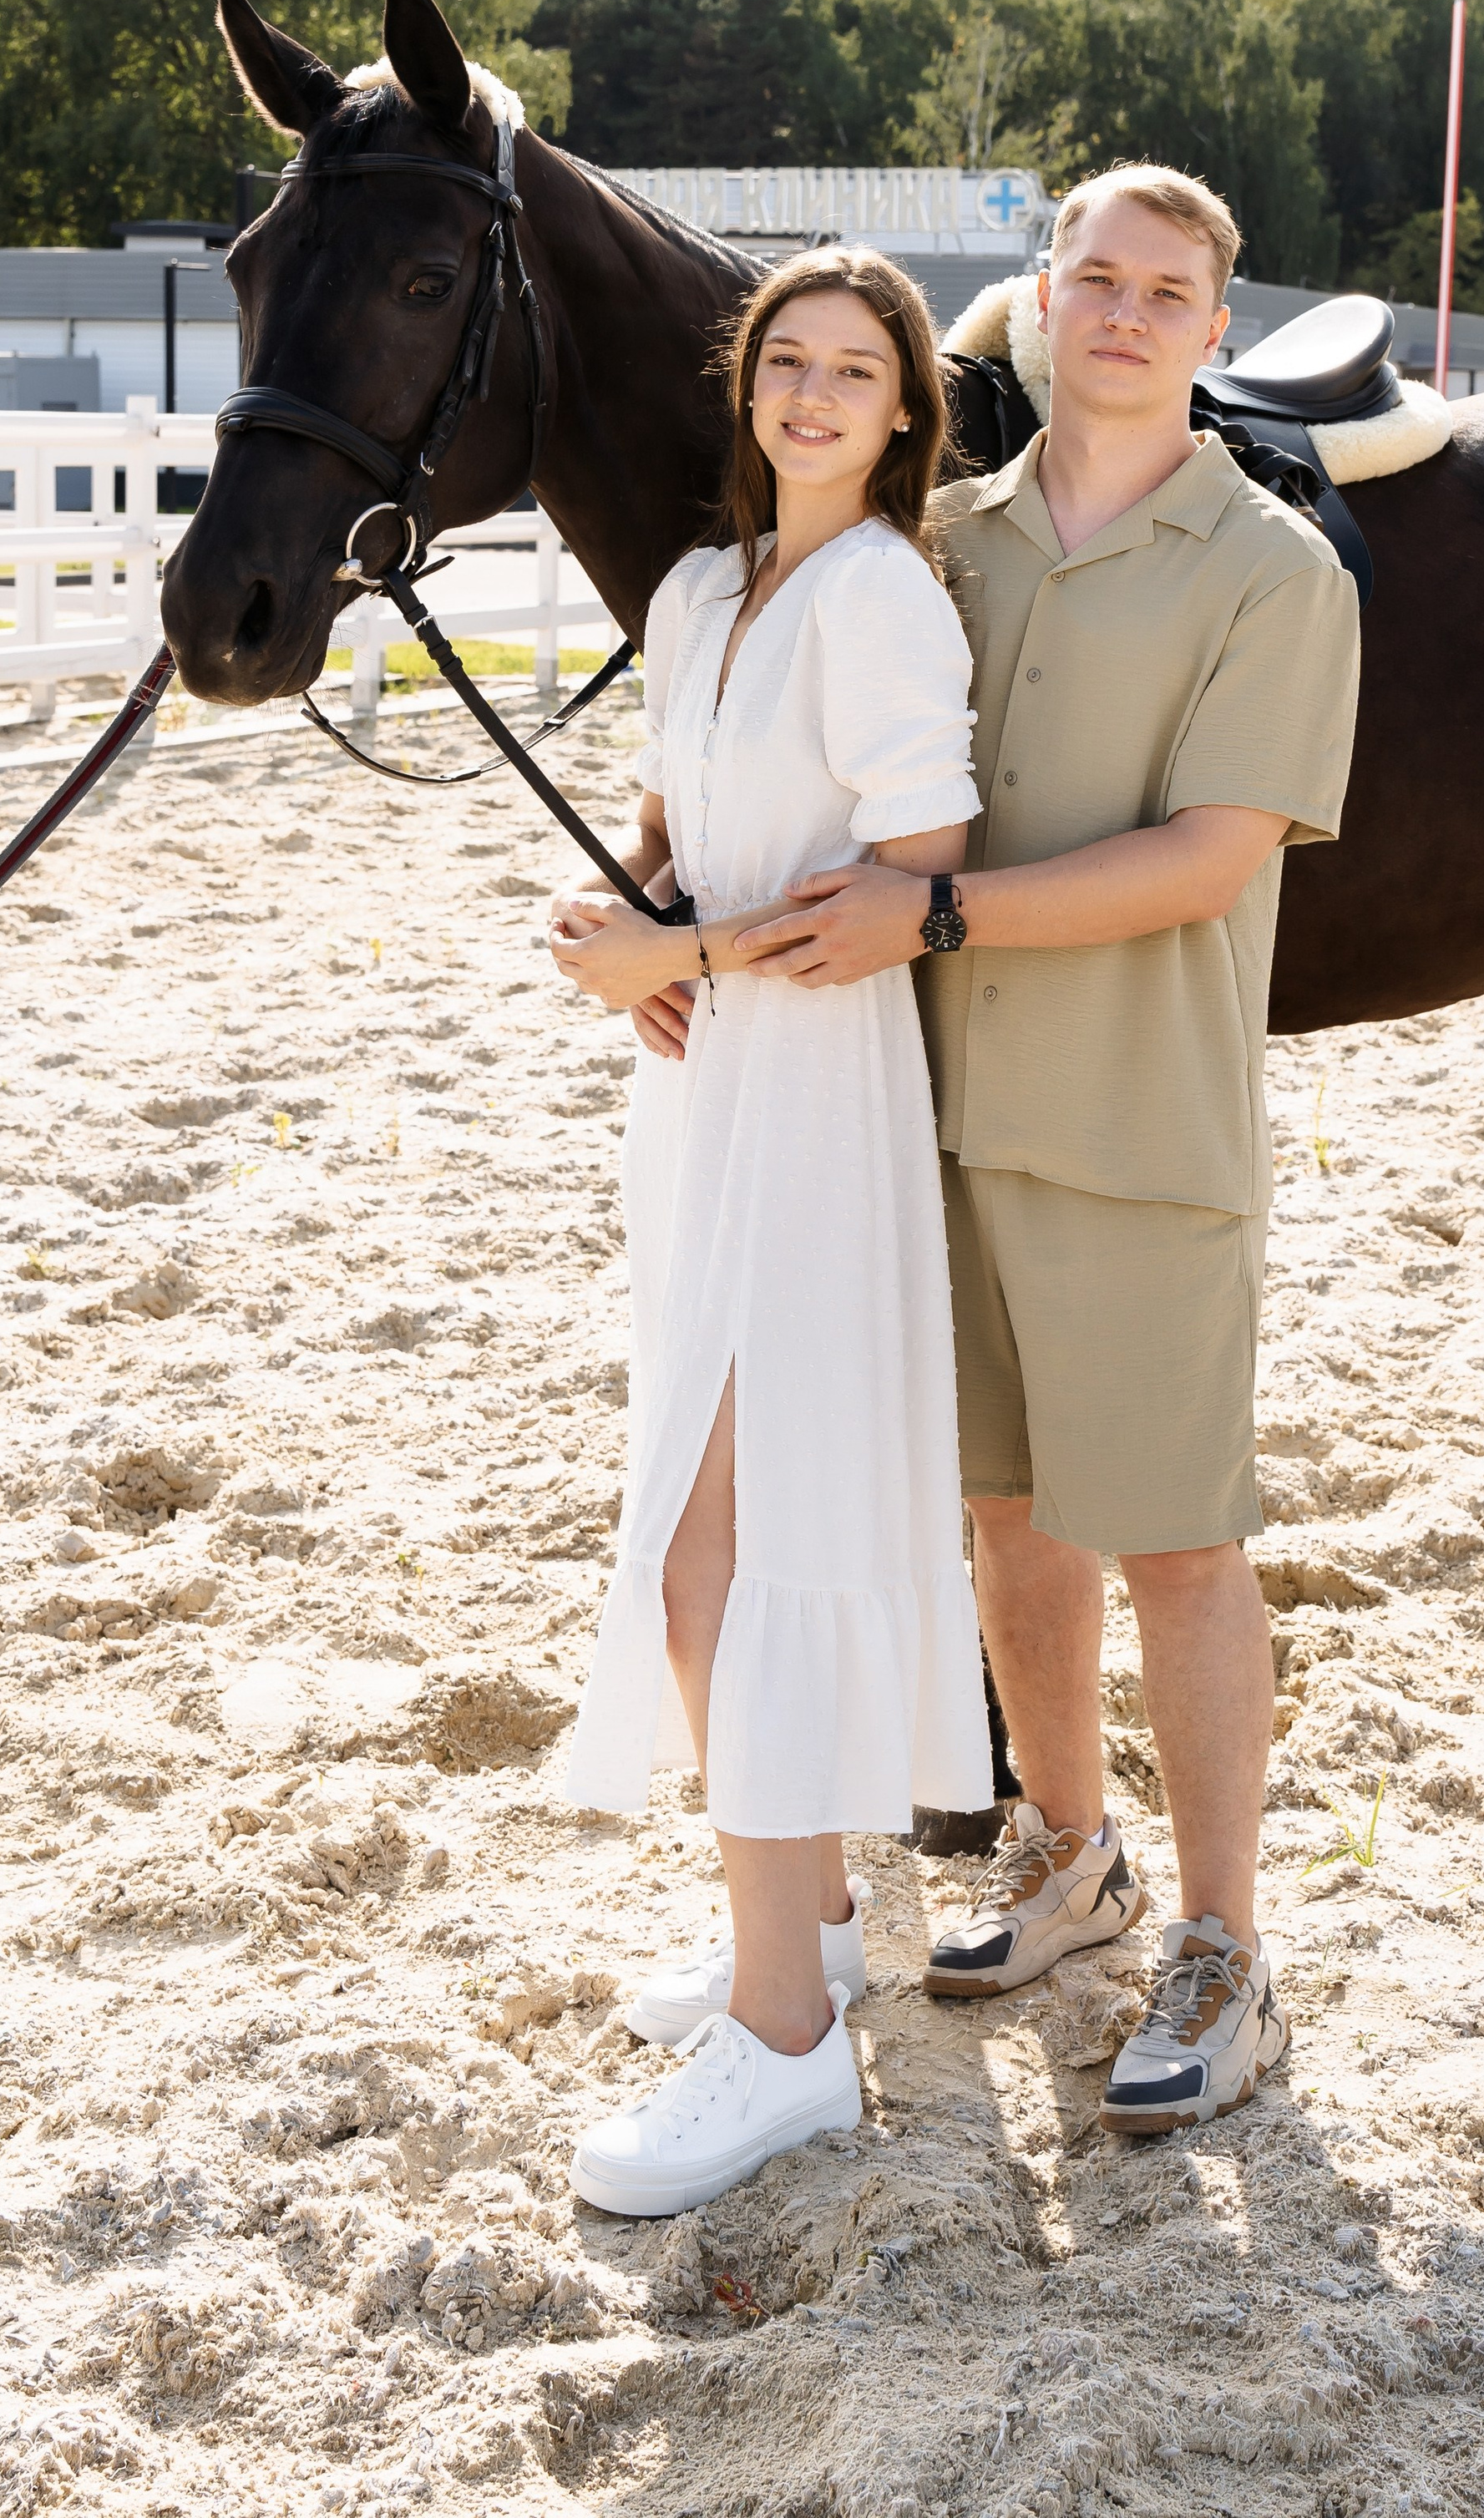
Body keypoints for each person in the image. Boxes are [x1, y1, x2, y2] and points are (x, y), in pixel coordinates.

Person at [719, 164, 1361, 2137]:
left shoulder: (1273, 572)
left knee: (1176, 1539)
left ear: (1212, 332)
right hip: (932, 1119)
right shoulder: (938, 554)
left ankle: (1225, 1946)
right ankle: (1072, 1853)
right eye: (1093, 277)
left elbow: (1204, 857)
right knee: (1007, 1520)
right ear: (1036, 296)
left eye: (1166, 291)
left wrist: (936, 922)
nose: (1122, 314)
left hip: (1136, 1126)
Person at [548, 246, 995, 2218]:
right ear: (748, 387)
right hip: (702, 1087)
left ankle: (793, 2053)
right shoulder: (700, 589)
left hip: (816, 1092)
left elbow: (904, 880)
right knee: (708, 1534)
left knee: (718, 1556)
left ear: (904, 414)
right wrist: (610, 925)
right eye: (786, 364)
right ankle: (796, 1941)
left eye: (855, 374)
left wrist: (688, 945)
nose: (813, 398)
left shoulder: (886, 599)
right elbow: (677, 821)